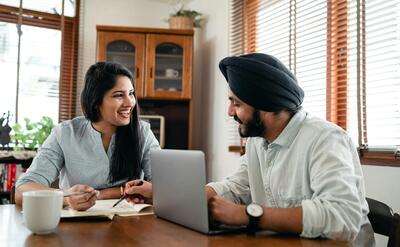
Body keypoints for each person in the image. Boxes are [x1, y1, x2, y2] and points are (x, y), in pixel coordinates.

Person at [206, 53, 375, 246]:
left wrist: (249, 215)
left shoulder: (326, 139)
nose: (229, 112)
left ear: (266, 104)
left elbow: (341, 217)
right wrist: (198, 195)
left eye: (237, 103)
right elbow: (240, 186)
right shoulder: (257, 142)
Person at [15, 62, 159, 210]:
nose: (130, 103)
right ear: (95, 101)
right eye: (119, 95)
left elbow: (165, 186)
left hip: (132, 225)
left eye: (131, 93)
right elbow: (22, 191)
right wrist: (66, 197)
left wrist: (104, 194)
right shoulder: (65, 133)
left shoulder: (143, 133)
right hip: (77, 227)